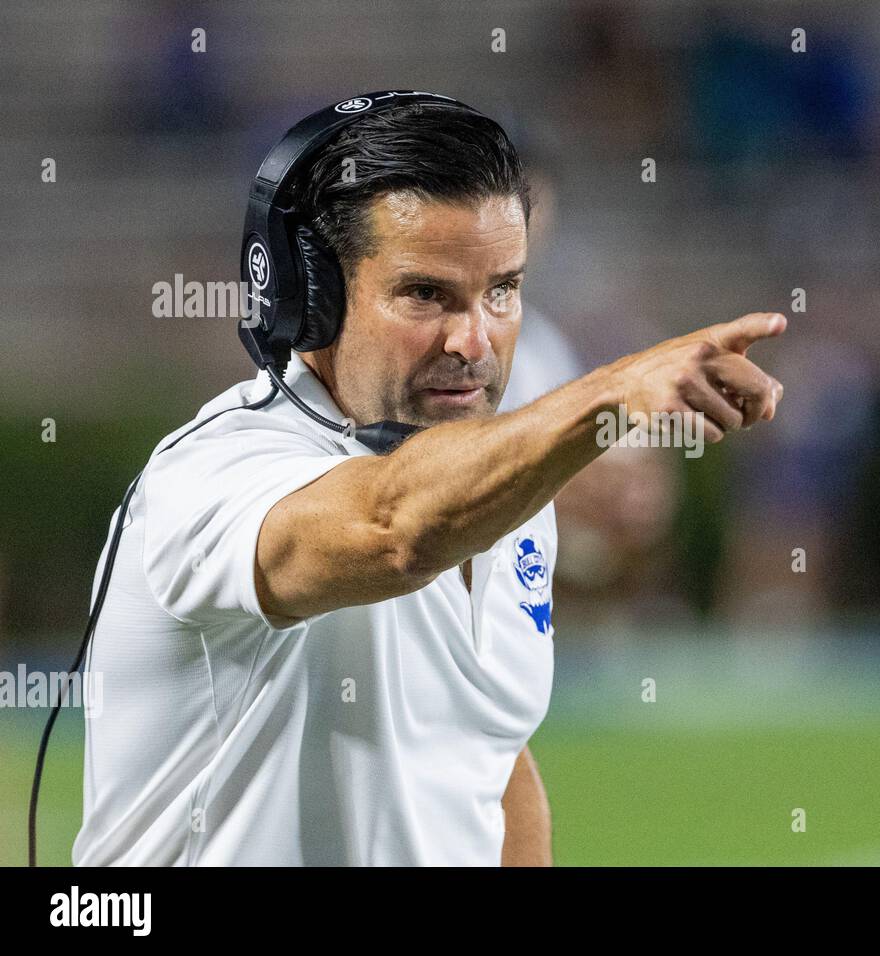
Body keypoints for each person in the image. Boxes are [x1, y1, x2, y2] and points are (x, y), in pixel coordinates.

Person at [72, 96, 785, 866]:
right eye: (426, 294)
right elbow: (394, 531)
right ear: (310, 296)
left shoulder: (502, 482)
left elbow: (488, 750)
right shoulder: (213, 471)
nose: (475, 341)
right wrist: (607, 397)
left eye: (502, 291)